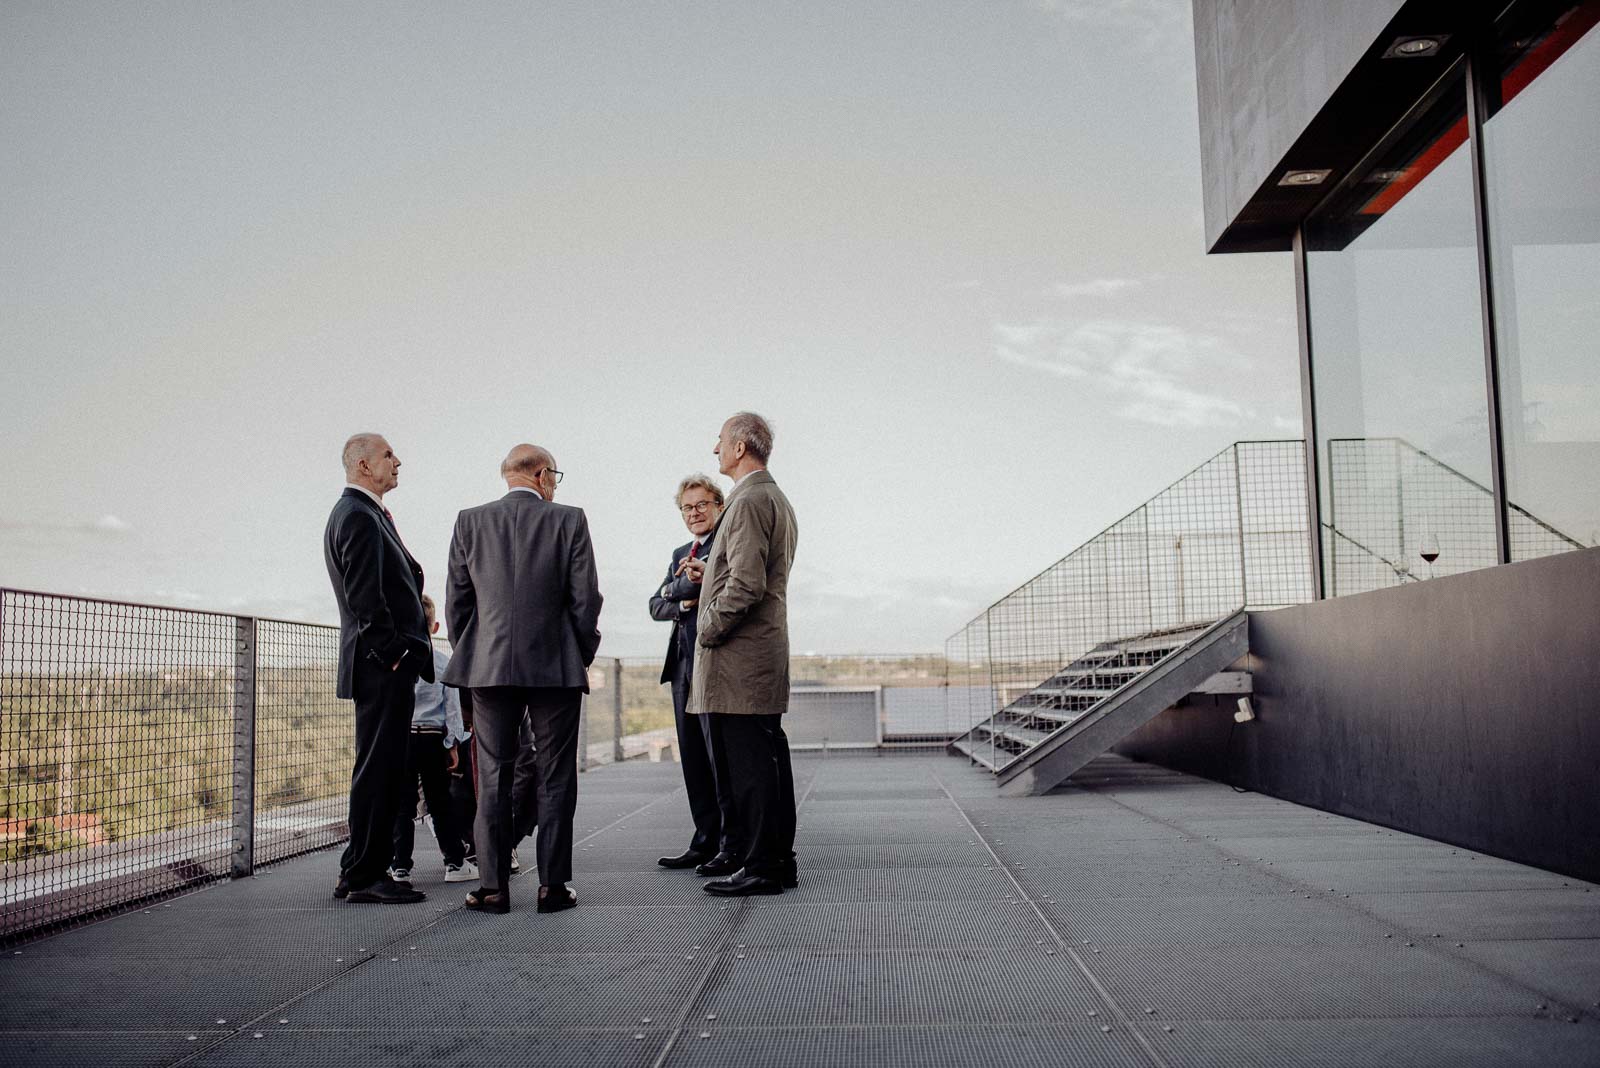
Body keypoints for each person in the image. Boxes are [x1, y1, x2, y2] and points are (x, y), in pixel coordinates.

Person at [443, 444, 602, 914]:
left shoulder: (469, 521)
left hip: (489, 667)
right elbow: (585, 598)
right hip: (555, 667)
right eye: (554, 475)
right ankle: (552, 887)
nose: (554, 484)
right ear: (539, 473)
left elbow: (457, 600)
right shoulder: (568, 519)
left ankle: (492, 888)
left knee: (492, 775)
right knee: (555, 776)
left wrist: (472, 652)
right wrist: (580, 652)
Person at [690, 412, 800, 896]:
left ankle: (762, 866)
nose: (715, 451)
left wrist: (707, 627)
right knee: (767, 761)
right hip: (756, 657)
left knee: (753, 767)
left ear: (738, 449)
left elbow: (745, 584)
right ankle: (773, 861)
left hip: (742, 661)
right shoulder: (769, 496)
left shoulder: (751, 499)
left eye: (719, 443)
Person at [323, 432, 430, 905]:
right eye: (389, 454)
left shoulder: (361, 513)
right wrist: (396, 654)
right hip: (380, 666)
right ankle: (366, 873)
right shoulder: (358, 517)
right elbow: (366, 600)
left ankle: (359, 868)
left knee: (379, 768)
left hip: (379, 665)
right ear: (364, 466)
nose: (399, 460)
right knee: (378, 769)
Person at [649, 474, 739, 877]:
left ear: (719, 506)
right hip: (682, 668)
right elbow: (656, 604)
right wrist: (681, 597)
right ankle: (703, 840)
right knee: (693, 760)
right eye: (687, 507)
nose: (694, 513)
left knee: (719, 757)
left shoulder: (726, 543)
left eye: (702, 504)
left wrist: (682, 589)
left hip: (715, 664)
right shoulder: (680, 552)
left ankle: (729, 845)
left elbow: (722, 590)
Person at [390, 594, 477, 885]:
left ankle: (399, 866)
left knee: (402, 803)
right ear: (435, 626)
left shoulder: (398, 662)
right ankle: (454, 863)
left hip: (403, 739)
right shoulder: (442, 663)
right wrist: (452, 744)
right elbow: (452, 708)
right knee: (440, 802)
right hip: (431, 739)